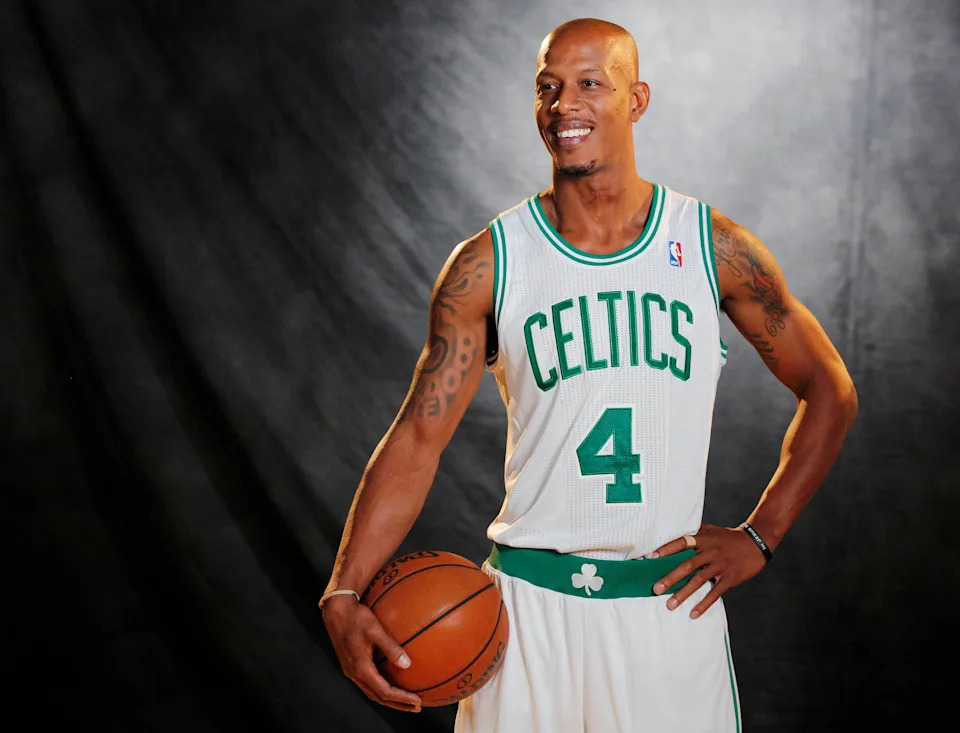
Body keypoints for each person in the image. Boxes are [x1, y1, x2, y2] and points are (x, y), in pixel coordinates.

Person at [320, 17, 857, 732]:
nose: (562, 104)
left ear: (636, 100)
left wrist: (761, 534)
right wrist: (343, 588)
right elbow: (418, 438)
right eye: (547, 88)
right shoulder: (487, 264)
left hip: (665, 609)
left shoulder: (711, 247)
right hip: (526, 613)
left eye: (588, 84)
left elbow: (830, 389)